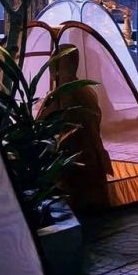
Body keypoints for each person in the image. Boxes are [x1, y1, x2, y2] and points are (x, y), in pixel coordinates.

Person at [42, 45, 115, 213]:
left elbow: (47, 124)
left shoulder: (63, 94)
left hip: (73, 160)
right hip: (92, 160)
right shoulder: (86, 90)